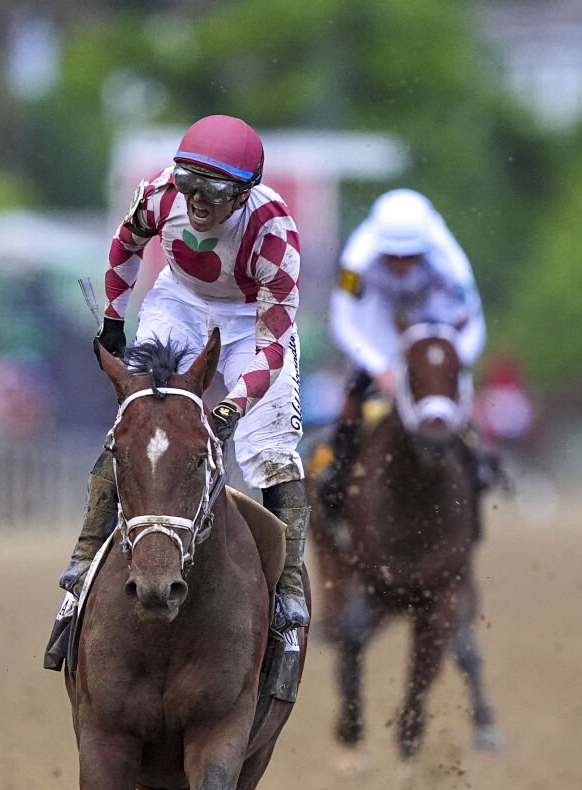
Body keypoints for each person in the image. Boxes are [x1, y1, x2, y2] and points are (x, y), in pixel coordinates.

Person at [44, 114, 306, 671]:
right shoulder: (161, 194)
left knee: (270, 451)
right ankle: (87, 551)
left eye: (213, 191)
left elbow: (274, 345)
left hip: (250, 323)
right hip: (178, 302)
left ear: (242, 193)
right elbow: (125, 245)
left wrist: (233, 404)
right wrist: (114, 317)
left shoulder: (274, 234)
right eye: (190, 183)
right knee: (140, 419)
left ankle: (290, 586)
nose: (197, 200)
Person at [320, 187, 494, 516]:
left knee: (449, 392)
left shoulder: (450, 259)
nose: (400, 263)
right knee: (354, 397)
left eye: (410, 256)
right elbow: (344, 320)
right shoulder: (357, 259)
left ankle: (477, 464)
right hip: (379, 319)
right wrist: (379, 368)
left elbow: (474, 325)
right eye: (392, 255)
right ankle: (337, 472)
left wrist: (451, 364)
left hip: (431, 319)